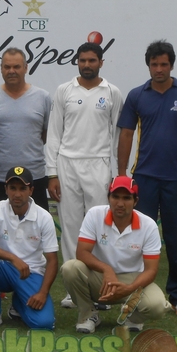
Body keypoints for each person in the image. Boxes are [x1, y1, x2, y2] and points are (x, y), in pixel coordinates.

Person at [117, 40, 177, 318]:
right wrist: (122, 176)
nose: (159, 69)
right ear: (148, 65)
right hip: (142, 179)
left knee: (176, 238)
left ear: (171, 65)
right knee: (136, 240)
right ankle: (135, 293)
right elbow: (127, 134)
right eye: (154, 64)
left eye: (164, 64)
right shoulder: (136, 95)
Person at [46, 42, 122, 309]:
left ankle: (102, 287)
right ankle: (73, 289)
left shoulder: (112, 92)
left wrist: (116, 174)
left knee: (100, 229)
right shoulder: (64, 90)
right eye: (82, 60)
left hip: (99, 165)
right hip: (67, 164)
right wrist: (51, 173)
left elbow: (117, 136)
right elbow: (54, 133)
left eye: (92, 60)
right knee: (70, 227)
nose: (87, 65)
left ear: (101, 62)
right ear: (77, 62)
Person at [61, 176, 166, 333]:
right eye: (115, 197)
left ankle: (133, 317)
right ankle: (88, 315)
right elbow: (82, 252)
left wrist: (130, 288)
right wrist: (106, 269)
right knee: (70, 268)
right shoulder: (94, 214)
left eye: (126, 198)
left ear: (135, 201)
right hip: (101, 279)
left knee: (157, 306)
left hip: (133, 279)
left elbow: (151, 270)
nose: (120, 203)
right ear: (108, 198)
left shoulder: (148, 225)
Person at [0, 166, 59, 330]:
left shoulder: (44, 217)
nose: (17, 194)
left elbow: (53, 261)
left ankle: (19, 304)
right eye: (12, 188)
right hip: (3, 268)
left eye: (22, 188)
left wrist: (43, 293)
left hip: (31, 272)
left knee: (43, 324)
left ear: (31, 190)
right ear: (6, 189)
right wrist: (13, 258)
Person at [0, 47, 51, 211]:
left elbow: (47, 133)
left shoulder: (43, 97)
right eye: (7, 67)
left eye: (17, 67)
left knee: (35, 231)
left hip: (34, 178)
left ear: (26, 68)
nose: (11, 71)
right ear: (1, 69)